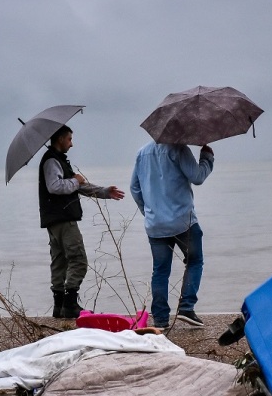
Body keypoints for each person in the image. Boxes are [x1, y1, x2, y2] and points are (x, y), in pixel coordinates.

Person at [40, 125, 124, 318]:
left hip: (54, 221)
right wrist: (76, 181)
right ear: (60, 139)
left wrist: (104, 192)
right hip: (63, 219)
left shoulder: (57, 160)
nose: (72, 143)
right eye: (69, 139)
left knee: (59, 262)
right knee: (78, 260)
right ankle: (69, 304)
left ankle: (59, 306)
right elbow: (55, 187)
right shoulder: (52, 161)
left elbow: (76, 187)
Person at [130, 141, 214, 329]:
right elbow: (197, 177)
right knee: (194, 261)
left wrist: (149, 212)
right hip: (182, 221)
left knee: (160, 270)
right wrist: (207, 158)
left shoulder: (142, 152)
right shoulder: (179, 149)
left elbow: (134, 188)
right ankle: (186, 307)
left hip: (155, 224)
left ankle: (160, 319)